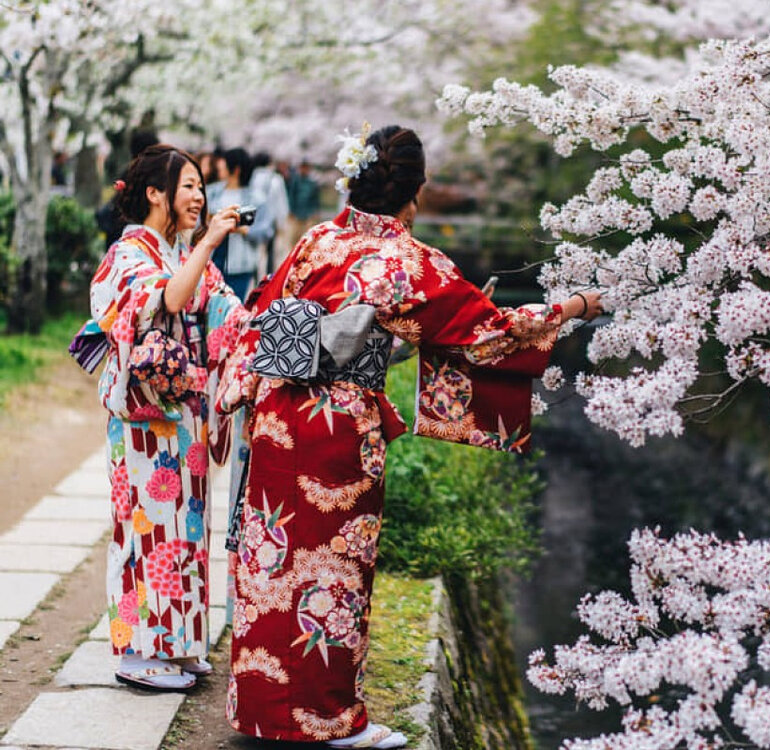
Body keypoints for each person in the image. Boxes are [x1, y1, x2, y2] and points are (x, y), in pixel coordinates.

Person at [217, 125, 602, 749]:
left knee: (273, 560)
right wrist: (576, 306)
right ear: (413, 194)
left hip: (278, 416)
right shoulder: (407, 262)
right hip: (338, 430)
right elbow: (491, 334)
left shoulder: (318, 239)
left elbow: (262, 310)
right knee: (332, 571)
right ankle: (329, 720)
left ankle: (263, 711)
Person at [88, 144, 250, 691]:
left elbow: (222, 308)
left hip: (185, 421)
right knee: (142, 533)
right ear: (155, 193)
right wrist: (208, 243)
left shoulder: (178, 252)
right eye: (188, 186)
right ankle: (135, 651)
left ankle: (177, 645)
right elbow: (170, 302)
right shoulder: (129, 255)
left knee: (185, 533)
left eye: (201, 187)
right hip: (142, 421)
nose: (199, 197)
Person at [209, 147, 273, 300]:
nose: (219, 165)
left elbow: (267, 231)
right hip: (212, 258)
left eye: (224, 163)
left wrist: (245, 230)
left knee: (234, 304)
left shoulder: (256, 198)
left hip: (240, 264)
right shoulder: (211, 193)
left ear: (235, 169)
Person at [249, 151, 291, 274]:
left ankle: (255, 274)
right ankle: (268, 275)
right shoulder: (275, 179)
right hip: (271, 220)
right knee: (270, 252)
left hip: (253, 219)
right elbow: (281, 202)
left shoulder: (251, 177)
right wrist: (281, 222)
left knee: (256, 251)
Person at [286, 159, 322, 250]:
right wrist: (291, 210)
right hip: (296, 213)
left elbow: (315, 198)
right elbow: (291, 196)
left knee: (308, 238)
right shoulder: (295, 181)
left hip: (308, 214)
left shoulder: (312, 182)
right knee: (294, 238)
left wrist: (315, 212)